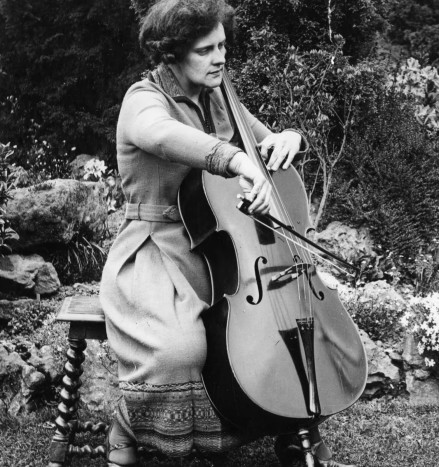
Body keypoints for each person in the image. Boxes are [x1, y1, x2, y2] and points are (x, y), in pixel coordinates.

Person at [99, 1, 356, 466]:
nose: (220, 58)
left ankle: (292, 431)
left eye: (222, 45)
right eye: (206, 49)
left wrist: (291, 138)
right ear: (172, 53)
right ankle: (126, 419)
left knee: (285, 329)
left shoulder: (220, 96)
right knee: (181, 350)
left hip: (221, 247)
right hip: (155, 248)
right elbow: (160, 135)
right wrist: (235, 160)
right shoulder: (144, 97)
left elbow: (265, 145)